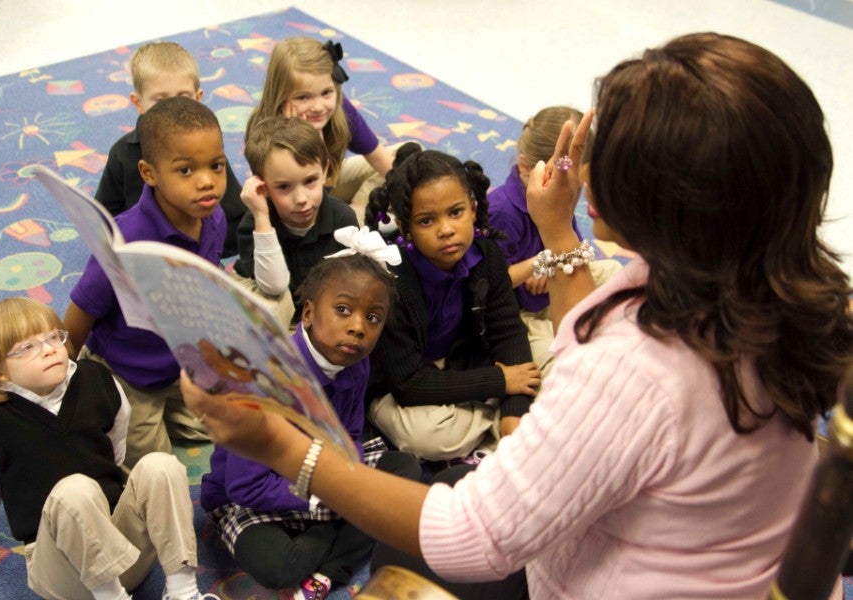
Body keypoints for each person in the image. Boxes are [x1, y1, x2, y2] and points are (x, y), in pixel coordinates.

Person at [179, 32, 852, 598]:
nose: (582, 154)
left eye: (602, 141)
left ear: (651, 194)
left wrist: (282, 447)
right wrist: (556, 231)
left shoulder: (636, 375)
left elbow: (472, 539)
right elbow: (594, 333)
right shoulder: (763, 280)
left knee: (410, 557)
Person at [200, 230, 420, 600]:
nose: (358, 327)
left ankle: (329, 571)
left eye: (373, 318)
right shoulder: (264, 376)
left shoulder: (354, 361)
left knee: (407, 471)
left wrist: (343, 479)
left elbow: (348, 436)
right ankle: (339, 533)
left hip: (320, 473)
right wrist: (336, 499)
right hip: (250, 495)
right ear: (308, 312)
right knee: (279, 566)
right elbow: (245, 485)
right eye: (344, 310)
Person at [0, 298, 219, 600]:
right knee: (75, 490)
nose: (50, 348)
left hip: (128, 552)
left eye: (53, 336)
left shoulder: (96, 378)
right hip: (66, 574)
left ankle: (183, 590)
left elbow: (116, 447)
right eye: (27, 347)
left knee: (161, 465)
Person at [64, 95, 228, 469]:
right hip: (128, 374)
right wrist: (63, 389)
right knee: (156, 469)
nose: (207, 182)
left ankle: (172, 413)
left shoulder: (214, 219)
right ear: (149, 173)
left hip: (178, 365)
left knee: (232, 420)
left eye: (216, 166)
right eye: (186, 170)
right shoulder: (124, 241)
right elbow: (80, 313)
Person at [363, 143, 541, 462]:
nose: (446, 230)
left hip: (464, 361)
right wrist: (500, 381)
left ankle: (498, 420)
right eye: (427, 221)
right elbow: (408, 383)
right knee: (432, 438)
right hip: (403, 384)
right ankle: (492, 418)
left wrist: (514, 413)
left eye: (455, 213)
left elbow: (509, 332)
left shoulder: (485, 255)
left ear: (473, 209)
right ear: (405, 227)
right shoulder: (388, 280)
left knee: (552, 359)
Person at [488, 106, 621, 373]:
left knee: (615, 272)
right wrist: (541, 263)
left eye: (580, 176)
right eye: (564, 174)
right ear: (526, 167)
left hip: (549, 290)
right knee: (561, 362)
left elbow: (574, 246)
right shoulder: (500, 211)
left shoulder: (563, 190)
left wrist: (552, 270)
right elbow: (490, 284)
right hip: (517, 313)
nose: (574, 186)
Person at [94, 41, 245, 258]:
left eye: (182, 98)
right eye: (160, 100)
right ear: (138, 103)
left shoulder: (207, 152)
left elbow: (236, 216)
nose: (172, 110)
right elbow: (104, 216)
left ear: (198, 99)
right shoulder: (122, 153)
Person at [240, 37, 395, 217]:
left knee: (404, 155)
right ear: (280, 96)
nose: (319, 107)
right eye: (303, 97)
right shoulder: (261, 129)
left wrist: (411, 201)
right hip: (298, 212)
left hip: (332, 182)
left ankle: (358, 209)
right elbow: (299, 197)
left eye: (326, 93)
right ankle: (355, 218)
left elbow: (378, 156)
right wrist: (303, 136)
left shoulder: (339, 108)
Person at [232, 115, 358, 325]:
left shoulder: (342, 218)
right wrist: (262, 218)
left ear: (325, 170)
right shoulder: (253, 224)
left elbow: (347, 285)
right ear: (262, 186)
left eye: (310, 181)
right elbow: (273, 286)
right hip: (274, 305)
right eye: (283, 187)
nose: (301, 199)